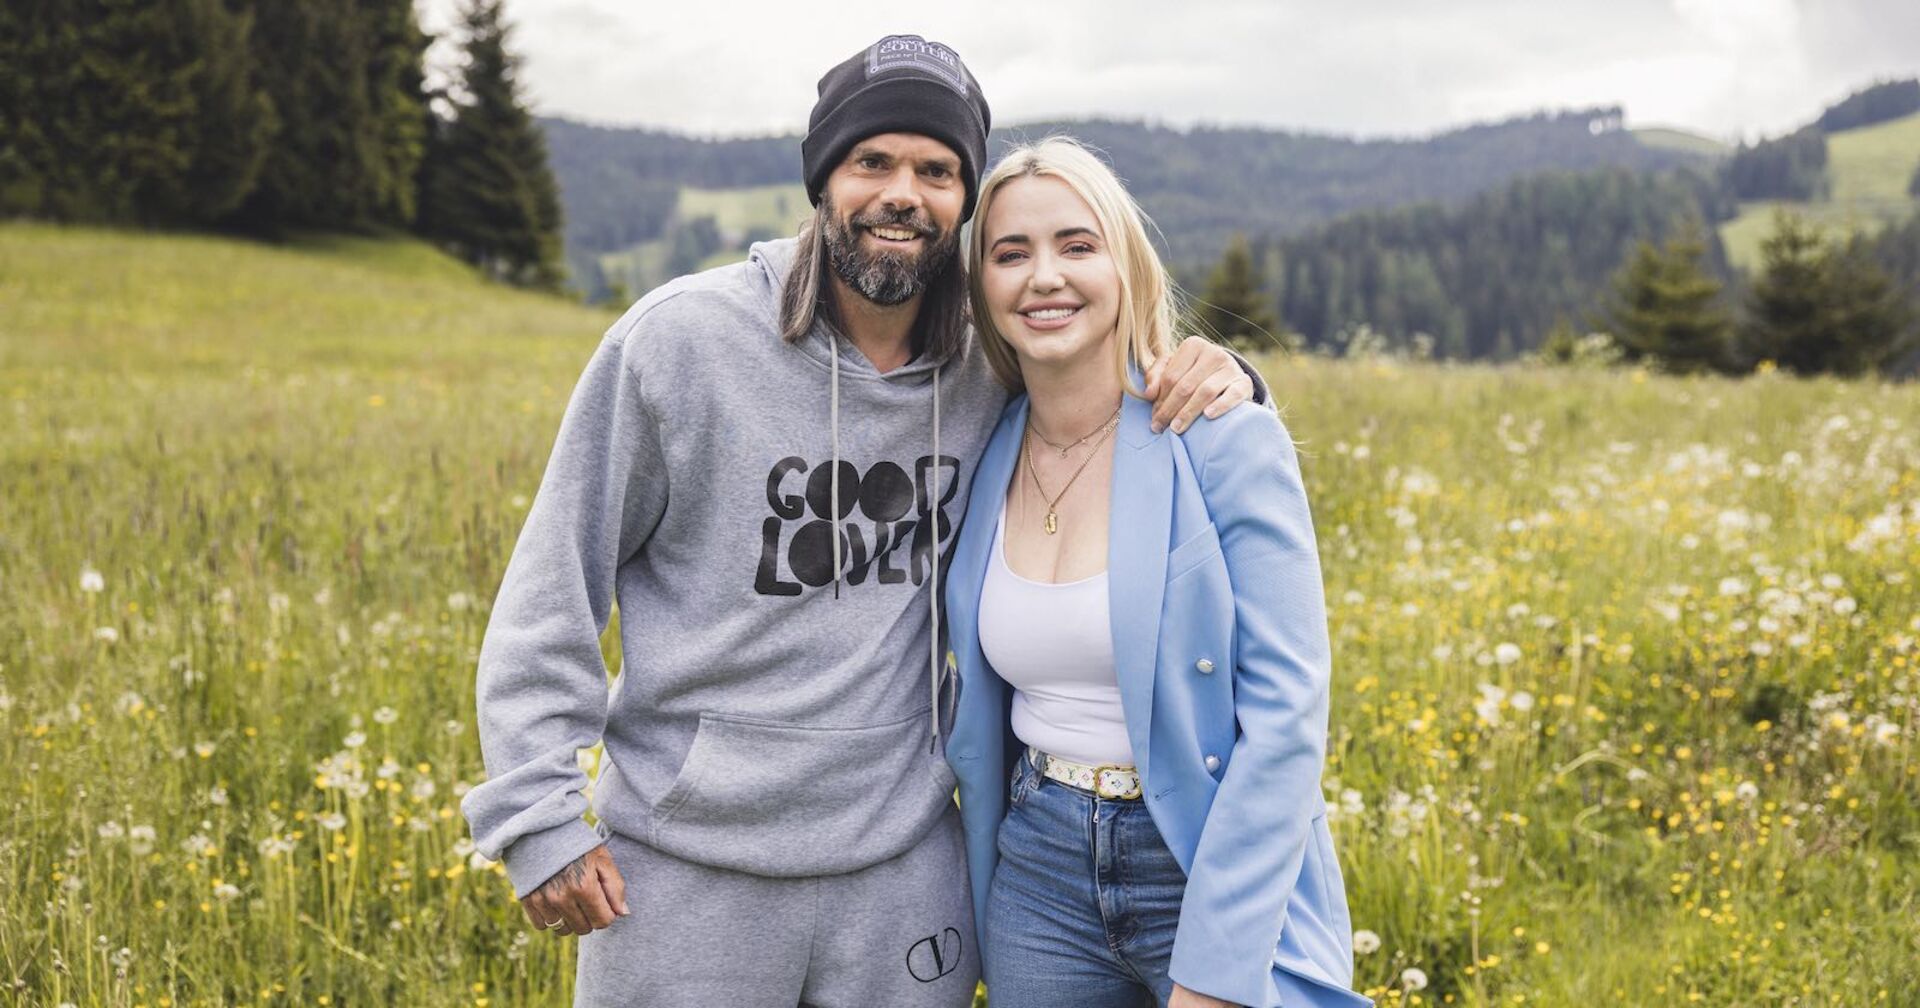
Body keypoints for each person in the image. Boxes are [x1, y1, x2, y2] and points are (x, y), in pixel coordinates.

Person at [459, 36, 1265, 1008]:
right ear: (823, 180)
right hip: (684, 870)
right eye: (872, 162)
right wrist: (538, 816)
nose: (902, 194)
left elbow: (1105, 382)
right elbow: (553, 587)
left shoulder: (993, 362)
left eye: (936, 171)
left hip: (903, 875)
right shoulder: (677, 345)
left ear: (963, 201)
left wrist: (1228, 377)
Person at [943, 137, 1370, 1008]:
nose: (1044, 277)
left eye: (1077, 245)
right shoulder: (981, 445)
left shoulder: (1221, 437)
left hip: (1203, 856)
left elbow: (1289, 712)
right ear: (981, 285)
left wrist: (1217, 969)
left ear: (1126, 266)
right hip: (1038, 874)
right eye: (1010, 254)